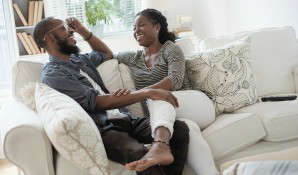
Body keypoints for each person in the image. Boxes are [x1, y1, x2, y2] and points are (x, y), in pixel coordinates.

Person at [34, 17, 190, 175]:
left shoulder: (78, 60)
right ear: (48, 38)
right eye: (63, 28)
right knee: (139, 154)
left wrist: (83, 30)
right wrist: (147, 92)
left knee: (179, 129)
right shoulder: (54, 74)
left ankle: (160, 150)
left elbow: (106, 53)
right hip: (105, 128)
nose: (70, 30)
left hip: (125, 118)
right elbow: (97, 102)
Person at [111, 9, 219, 175]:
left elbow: (174, 80)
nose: (136, 30)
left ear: (156, 27)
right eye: (133, 28)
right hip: (170, 118)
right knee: (188, 128)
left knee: (157, 97)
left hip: (195, 104)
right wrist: (83, 32)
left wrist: (145, 92)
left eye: (141, 25)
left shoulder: (170, 49)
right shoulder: (133, 58)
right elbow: (105, 54)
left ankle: (160, 146)